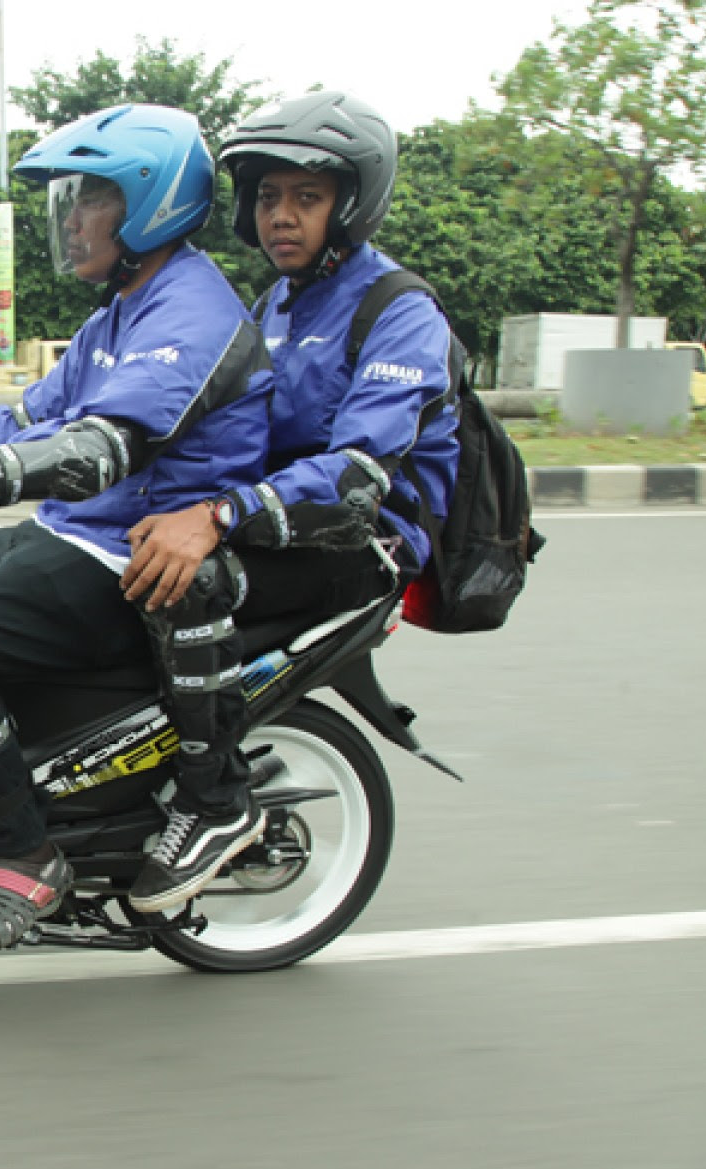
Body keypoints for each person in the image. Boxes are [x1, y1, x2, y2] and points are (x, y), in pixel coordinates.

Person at [0, 103, 274, 952]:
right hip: (73, 532)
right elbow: (25, 420)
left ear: (149, 207)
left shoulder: (191, 312)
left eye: (90, 200)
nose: (70, 221)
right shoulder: (119, 312)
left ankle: (28, 854)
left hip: (127, 556)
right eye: (67, 201)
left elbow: (94, 450)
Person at [123, 90, 462, 900]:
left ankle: (213, 802)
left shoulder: (399, 312)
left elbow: (354, 477)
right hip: (278, 521)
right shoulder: (275, 303)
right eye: (269, 197)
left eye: (305, 198)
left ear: (350, 205)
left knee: (189, 581)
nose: (281, 216)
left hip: (360, 540)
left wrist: (215, 517)